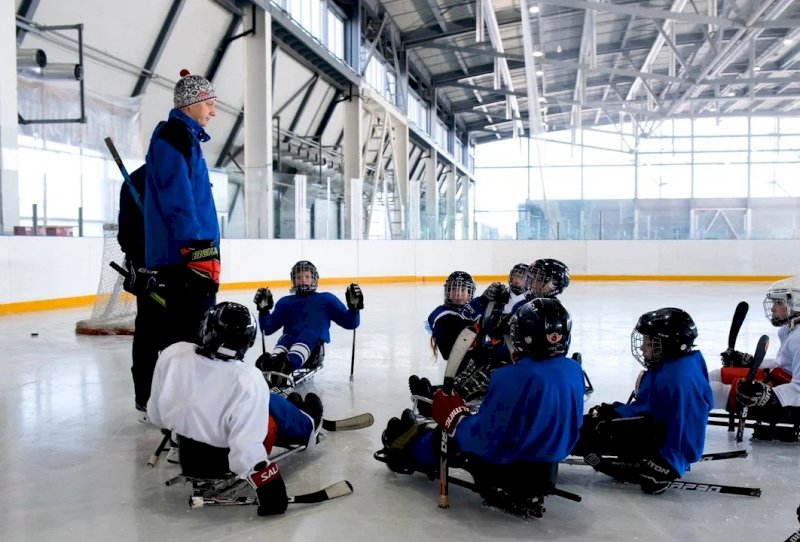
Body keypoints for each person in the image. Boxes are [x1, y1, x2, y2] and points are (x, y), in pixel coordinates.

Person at [381, 298, 584, 512]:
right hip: (547, 466)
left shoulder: (511, 376)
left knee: (443, 439)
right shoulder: (573, 370)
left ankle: (403, 446)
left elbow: (484, 439)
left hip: (507, 468)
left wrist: (454, 417)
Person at [147, 302, 323, 517]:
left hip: (185, 447)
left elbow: (156, 412)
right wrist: (268, 485)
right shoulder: (246, 378)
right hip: (223, 458)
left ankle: (293, 407)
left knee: (265, 399)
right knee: (269, 403)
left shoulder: (173, 353)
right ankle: (309, 423)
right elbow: (246, 447)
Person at [572, 307, 713, 494]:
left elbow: (689, 425)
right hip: (647, 426)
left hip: (652, 438)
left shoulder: (680, 379)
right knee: (584, 426)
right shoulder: (672, 365)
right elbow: (650, 405)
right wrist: (617, 412)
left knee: (578, 433)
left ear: (669, 343)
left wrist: (668, 464)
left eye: (649, 342)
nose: (642, 347)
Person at [144, 69, 221, 350]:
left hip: (194, 253)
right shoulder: (173, 136)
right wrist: (196, 250)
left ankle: (191, 391)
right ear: (191, 103)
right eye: (209, 103)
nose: (213, 112)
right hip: (185, 257)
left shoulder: (186, 137)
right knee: (187, 335)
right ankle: (183, 392)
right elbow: (177, 199)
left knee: (196, 331)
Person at [714, 277, 800, 440]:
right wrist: (751, 362)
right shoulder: (790, 329)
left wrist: (769, 395)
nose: (773, 309)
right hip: (777, 380)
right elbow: (783, 364)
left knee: (714, 390)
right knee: (716, 375)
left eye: (779, 303)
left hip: (782, 393)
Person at [253, 260, 363, 387]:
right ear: (293, 280)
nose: (303, 280)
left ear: (314, 279)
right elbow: (267, 329)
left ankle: (287, 365)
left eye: (307, 276)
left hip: (313, 352)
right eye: (298, 277)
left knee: (308, 334)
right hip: (290, 342)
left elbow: (350, 323)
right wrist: (264, 311)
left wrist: (354, 309)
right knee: (287, 337)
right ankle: (272, 363)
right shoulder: (285, 302)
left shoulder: (327, 299)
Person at [408, 271, 482, 414]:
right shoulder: (442, 314)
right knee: (471, 382)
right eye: (454, 289)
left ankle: (429, 391)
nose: (458, 294)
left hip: (466, 362)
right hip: (460, 361)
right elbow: (448, 351)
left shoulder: (472, 310)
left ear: (470, 292)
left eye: (463, 289)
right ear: (447, 291)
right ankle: (431, 400)